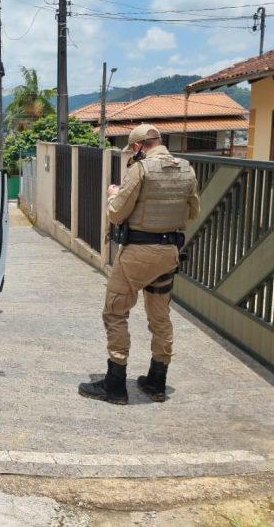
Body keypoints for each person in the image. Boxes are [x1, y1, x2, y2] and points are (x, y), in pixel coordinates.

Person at [78, 124, 199, 405]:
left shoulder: (140, 169)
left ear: (137, 146)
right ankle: (157, 381)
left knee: (115, 312)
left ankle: (115, 384)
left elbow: (117, 214)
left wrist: (113, 194)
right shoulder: (186, 169)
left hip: (138, 254)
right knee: (160, 316)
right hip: (169, 252)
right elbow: (193, 212)